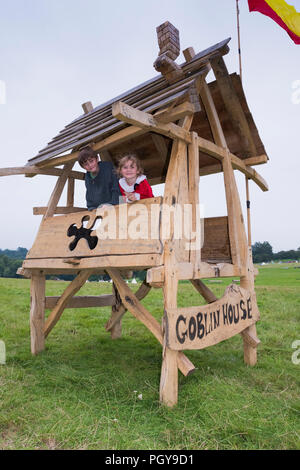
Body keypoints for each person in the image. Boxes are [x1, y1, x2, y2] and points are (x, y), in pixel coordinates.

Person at [78, 146, 121, 210]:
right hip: (101, 209)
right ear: (83, 167)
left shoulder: (109, 168)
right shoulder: (87, 178)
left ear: (97, 159)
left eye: (91, 161)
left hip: (117, 203)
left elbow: (117, 188)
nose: (90, 165)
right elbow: (90, 196)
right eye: (86, 164)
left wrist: (112, 204)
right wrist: (92, 208)